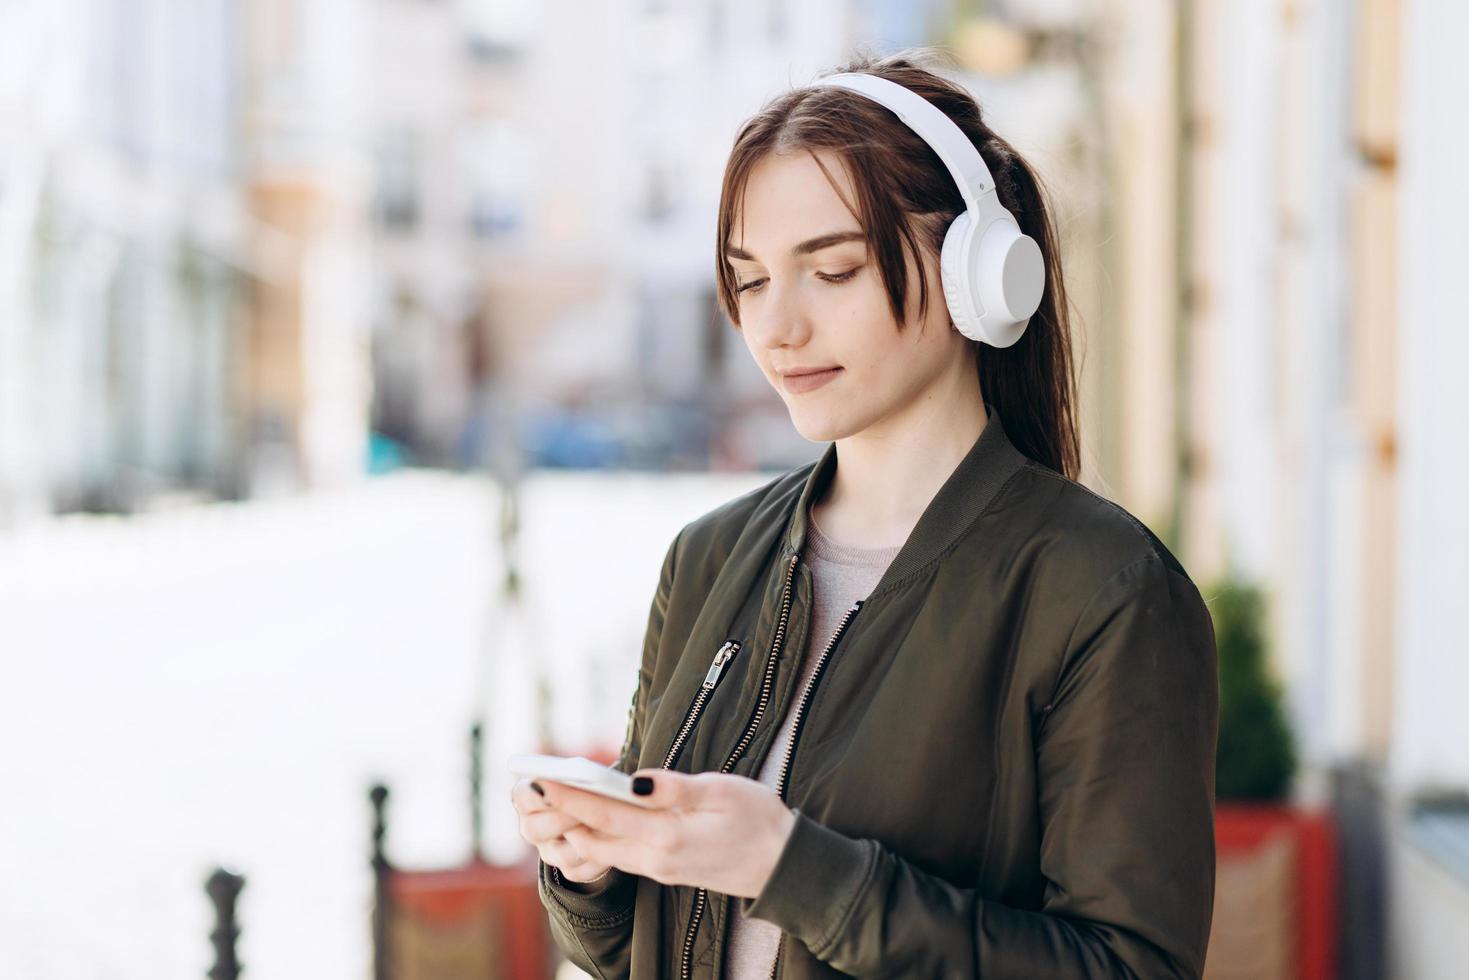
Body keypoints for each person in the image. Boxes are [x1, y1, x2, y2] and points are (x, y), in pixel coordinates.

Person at [511, 48, 1218, 980]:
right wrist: (590, 869)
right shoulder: (708, 559)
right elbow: (625, 950)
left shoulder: (1101, 590)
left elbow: (1129, 969)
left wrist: (793, 870)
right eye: (752, 279)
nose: (776, 327)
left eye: (833, 271)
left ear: (979, 271)